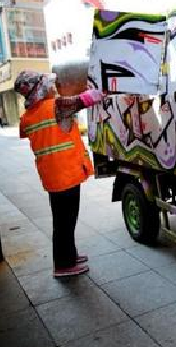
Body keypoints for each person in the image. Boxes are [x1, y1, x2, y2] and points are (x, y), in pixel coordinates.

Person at [14, 71, 104, 278]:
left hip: (54, 176)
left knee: (64, 221)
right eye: (48, 84)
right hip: (65, 175)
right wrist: (105, 90)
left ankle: (69, 256)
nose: (53, 86)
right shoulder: (56, 106)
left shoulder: (28, 116)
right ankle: (63, 265)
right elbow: (89, 98)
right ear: (40, 88)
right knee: (65, 222)